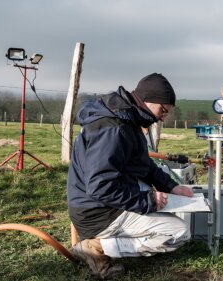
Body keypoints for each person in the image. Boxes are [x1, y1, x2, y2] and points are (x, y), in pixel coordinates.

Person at [67, 73, 193, 279]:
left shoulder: (127, 119)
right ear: (149, 101)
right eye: (163, 110)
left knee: (162, 208)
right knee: (178, 232)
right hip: (96, 212)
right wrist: (147, 200)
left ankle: (111, 238)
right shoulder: (113, 129)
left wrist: (171, 186)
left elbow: (143, 164)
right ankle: (95, 246)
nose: (163, 116)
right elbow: (100, 187)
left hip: (102, 202)